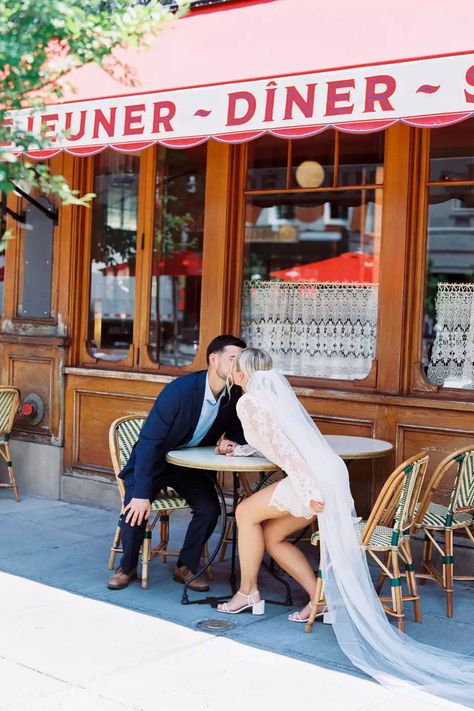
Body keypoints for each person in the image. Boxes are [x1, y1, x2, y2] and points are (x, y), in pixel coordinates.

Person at [218, 348, 474, 708]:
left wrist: (309, 493)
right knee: (272, 536)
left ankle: (248, 593)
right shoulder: (267, 398)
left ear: (242, 372)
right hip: (327, 471)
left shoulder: (249, 403)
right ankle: (319, 601)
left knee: (245, 513)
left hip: (311, 478)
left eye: (234, 366)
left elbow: (288, 454)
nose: (232, 371)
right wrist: (241, 451)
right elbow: (283, 445)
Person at [107, 334, 247, 592]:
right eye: (233, 359)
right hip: (155, 460)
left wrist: (230, 443)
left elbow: (237, 430)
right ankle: (126, 567)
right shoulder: (180, 390)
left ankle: (185, 566)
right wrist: (140, 494)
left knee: (210, 510)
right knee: (136, 507)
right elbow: (149, 442)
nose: (239, 365)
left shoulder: (234, 394)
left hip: (188, 466)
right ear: (213, 359)